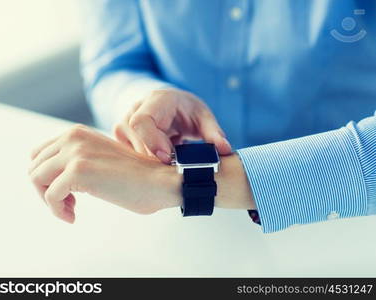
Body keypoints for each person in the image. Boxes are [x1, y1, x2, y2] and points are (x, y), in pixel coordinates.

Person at [29, 0, 375, 233]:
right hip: (184, 229)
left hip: (349, 221)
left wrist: (173, 184)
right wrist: (143, 102)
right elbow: (116, 64)